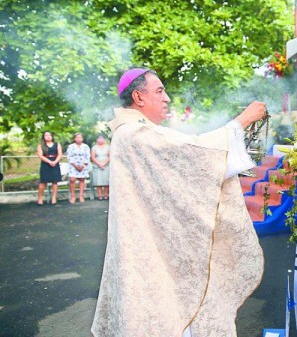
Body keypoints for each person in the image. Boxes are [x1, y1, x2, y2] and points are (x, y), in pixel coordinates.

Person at [91, 68, 266, 337]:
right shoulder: (134, 133)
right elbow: (197, 153)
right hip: (148, 248)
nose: (167, 98)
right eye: (159, 91)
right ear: (138, 96)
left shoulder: (136, 132)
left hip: (153, 241)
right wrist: (243, 120)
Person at [36, 131, 63, 205]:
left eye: (49, 135)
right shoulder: (41, 146)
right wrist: (49, 162)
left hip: (55, 163)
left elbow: (60, 154)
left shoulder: (57, 144)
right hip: (45, 163)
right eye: (46, 135)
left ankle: (54, 198)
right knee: (43, 182)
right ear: (43, 137)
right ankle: (40, 198)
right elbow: (40, 156)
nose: (48, 136)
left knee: (55, 181)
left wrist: (55, 161)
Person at [66, 132, 90, 204]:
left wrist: (83, 165)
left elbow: (88, 156)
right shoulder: (71, 146)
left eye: (80, 138)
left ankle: (81, 195)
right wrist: (76, 166)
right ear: (74, 139)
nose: (79, 139)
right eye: (77, 138)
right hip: (74, 165)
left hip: (83, 165)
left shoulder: (85, 146)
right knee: (72, 179)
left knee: (82, 179)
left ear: (82, 139)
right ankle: (73, 196)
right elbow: (69, 156)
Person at [91, 135, 110, 200]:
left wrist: (104, 164)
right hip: (97, 165)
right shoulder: (94, 147)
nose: (100, 140)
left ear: (104, 139)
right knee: (98, 181)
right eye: (99, 139)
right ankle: (99, 195)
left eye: (102, 138)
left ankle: (106, 194)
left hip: (106, 165)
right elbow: (93, 157)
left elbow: (109, 156)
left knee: (106, 181)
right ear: (97, 140)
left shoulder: (108, 147)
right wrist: (99, 164)